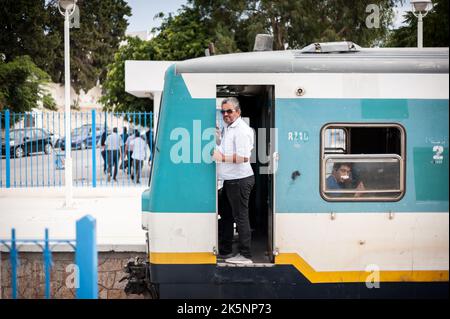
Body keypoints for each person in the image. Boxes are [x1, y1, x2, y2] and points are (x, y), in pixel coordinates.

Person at [212, 97, 255, 265]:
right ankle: (226, 250)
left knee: (240, 217)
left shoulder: (241, 130)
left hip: (240, 180)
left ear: (238, 112)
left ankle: (246, 255)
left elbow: (244, 157)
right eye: (223, 111)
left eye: (229, 111)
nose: (226, 114)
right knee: (227, 216)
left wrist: (221, 157)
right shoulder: (229, 128)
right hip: (230, 181)